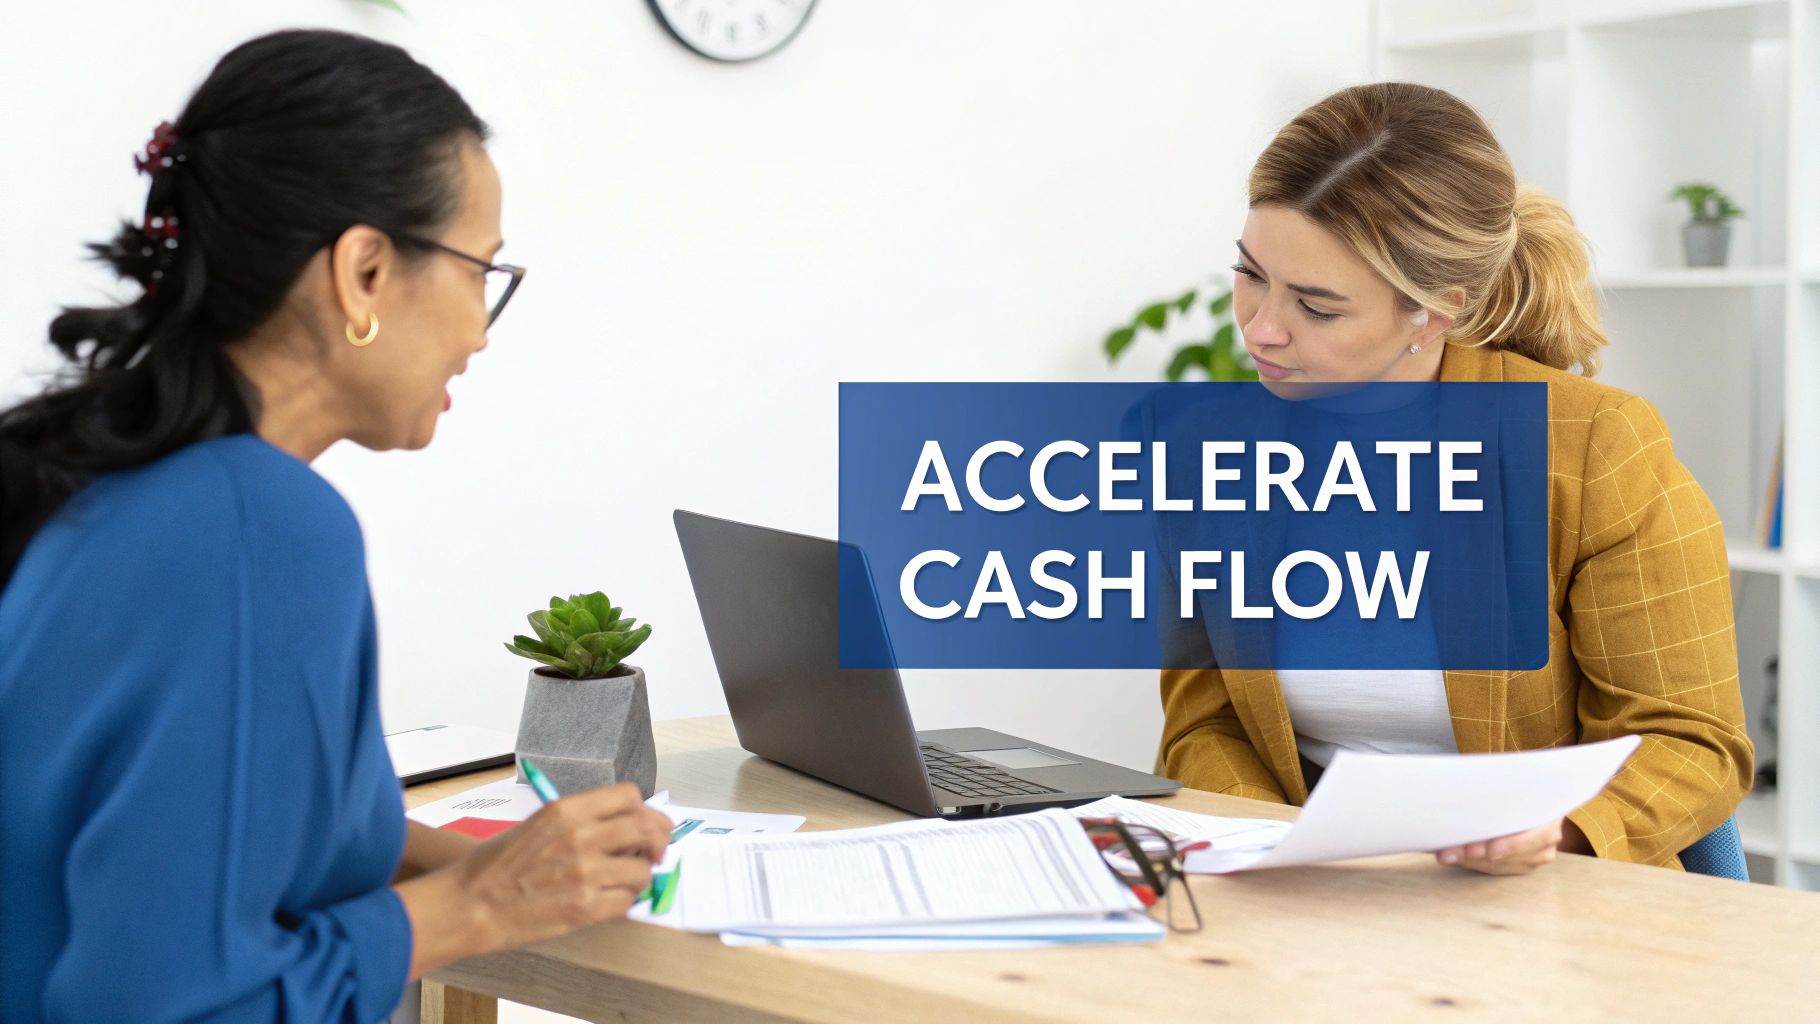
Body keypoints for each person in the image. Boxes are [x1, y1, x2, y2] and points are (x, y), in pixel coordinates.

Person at [0, 29, 671, 1022]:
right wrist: (481, 902)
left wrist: (471, 858)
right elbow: (165, 1002)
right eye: (479, 271)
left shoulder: (119, 486)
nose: (480, 332)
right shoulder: (254, 526)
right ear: (362, 272)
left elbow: (187, 826)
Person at [1157, 82, 1752, 875]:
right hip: (1305, 892)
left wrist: (1558, 831)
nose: (1262, 327)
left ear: (1435, 311)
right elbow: (1205, 727)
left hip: (1546, 898)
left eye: (1318, 306)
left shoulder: (1594, 446)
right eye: (1250, 273)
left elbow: (1694, 741)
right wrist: (1285, 850)